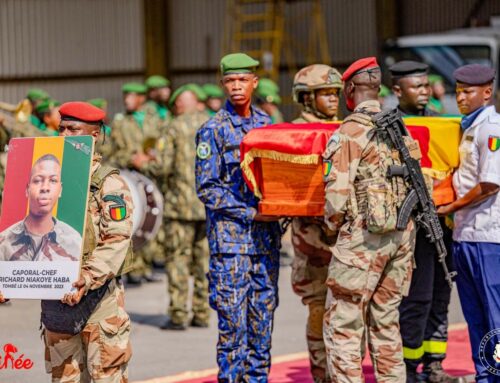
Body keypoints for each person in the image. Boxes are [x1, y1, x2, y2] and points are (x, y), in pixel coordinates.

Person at [322, 57, 416, 383]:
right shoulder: (399, 126)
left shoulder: (350, 131)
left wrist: (331, 228)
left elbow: (336, 197)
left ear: (349, 89)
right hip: (402, 238)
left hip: (363, 241)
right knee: (386, 321)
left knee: (344, 324)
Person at [195, 53, 282, 382]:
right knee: (233, 332)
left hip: (266, 245)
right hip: (231, 247)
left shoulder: (268, 127)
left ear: (254, 83)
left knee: (262, 326)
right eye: (230, 81)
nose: (236, 86)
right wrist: (252, 214)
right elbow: (207, 188)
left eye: (242, 80)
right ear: (222, 85)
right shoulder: (212, 131)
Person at [40, 101, 133, 382]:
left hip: (98, 300)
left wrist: (88, 276)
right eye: (62, 129)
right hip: (56, 301)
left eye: (73, 129)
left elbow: (117, 238)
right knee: (64, 378)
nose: (65, 135)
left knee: (105, 376)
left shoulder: (109, 184)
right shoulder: (46, 181)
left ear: (92, 136)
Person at [390, 60, 458, 383]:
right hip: (410, 230)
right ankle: (408, 365)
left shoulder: (440, 123)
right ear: (397, 91)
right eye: (416, 87)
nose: (424, 92)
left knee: (441, 296)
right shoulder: (391, 127)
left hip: (442, 226)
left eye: (426, 86)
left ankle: (433, 363)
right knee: (417, 299)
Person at [437, 64, 500, 383]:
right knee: (475, 316)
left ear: (487, 93)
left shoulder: (492, 128)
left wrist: (451, 206)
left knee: (494, 317)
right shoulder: (467, 126)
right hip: (465, 234)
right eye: (458, 90)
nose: (460, 97)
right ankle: (485, 376)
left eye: (468, 91)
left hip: (488, 238)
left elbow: (490, 184)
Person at [290, 63, 343, 383]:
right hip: (313, 240)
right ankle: (321, 373)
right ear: (307, 98)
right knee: (318, 309)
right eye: (325, 94)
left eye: (336, 93)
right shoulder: (294, 132)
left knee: (349, 314)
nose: (334, 99)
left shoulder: (347, 127)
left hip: (347, 239)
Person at [146, 84, 211, 330]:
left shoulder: (172, 127)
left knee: (178, 260)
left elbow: (162, 167)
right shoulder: (211, 125)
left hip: (179, 208)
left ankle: (179, 313)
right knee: (203, 262)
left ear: (180, 104)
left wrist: (145, 162)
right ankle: (202, 313)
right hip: (206, 205)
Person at [110, 82, 161, 284]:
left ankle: (146, 265)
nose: (126, 100)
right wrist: (131, 157)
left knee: (151, 221)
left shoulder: (154, 121)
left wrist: (150, 158)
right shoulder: (120, 123)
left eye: (131, 96)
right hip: (130, 177)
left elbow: (161, 146)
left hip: (151, 176)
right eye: (125, 96)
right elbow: (112, 152)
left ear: (141, 98)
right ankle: (134, 269)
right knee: (133, 220)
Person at [0, 154, 81, 262]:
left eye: (53, 181)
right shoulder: (3, 241)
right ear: (27, 189)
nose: (45, 188)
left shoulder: (74, 241)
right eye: (38, 180)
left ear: (60, 190)